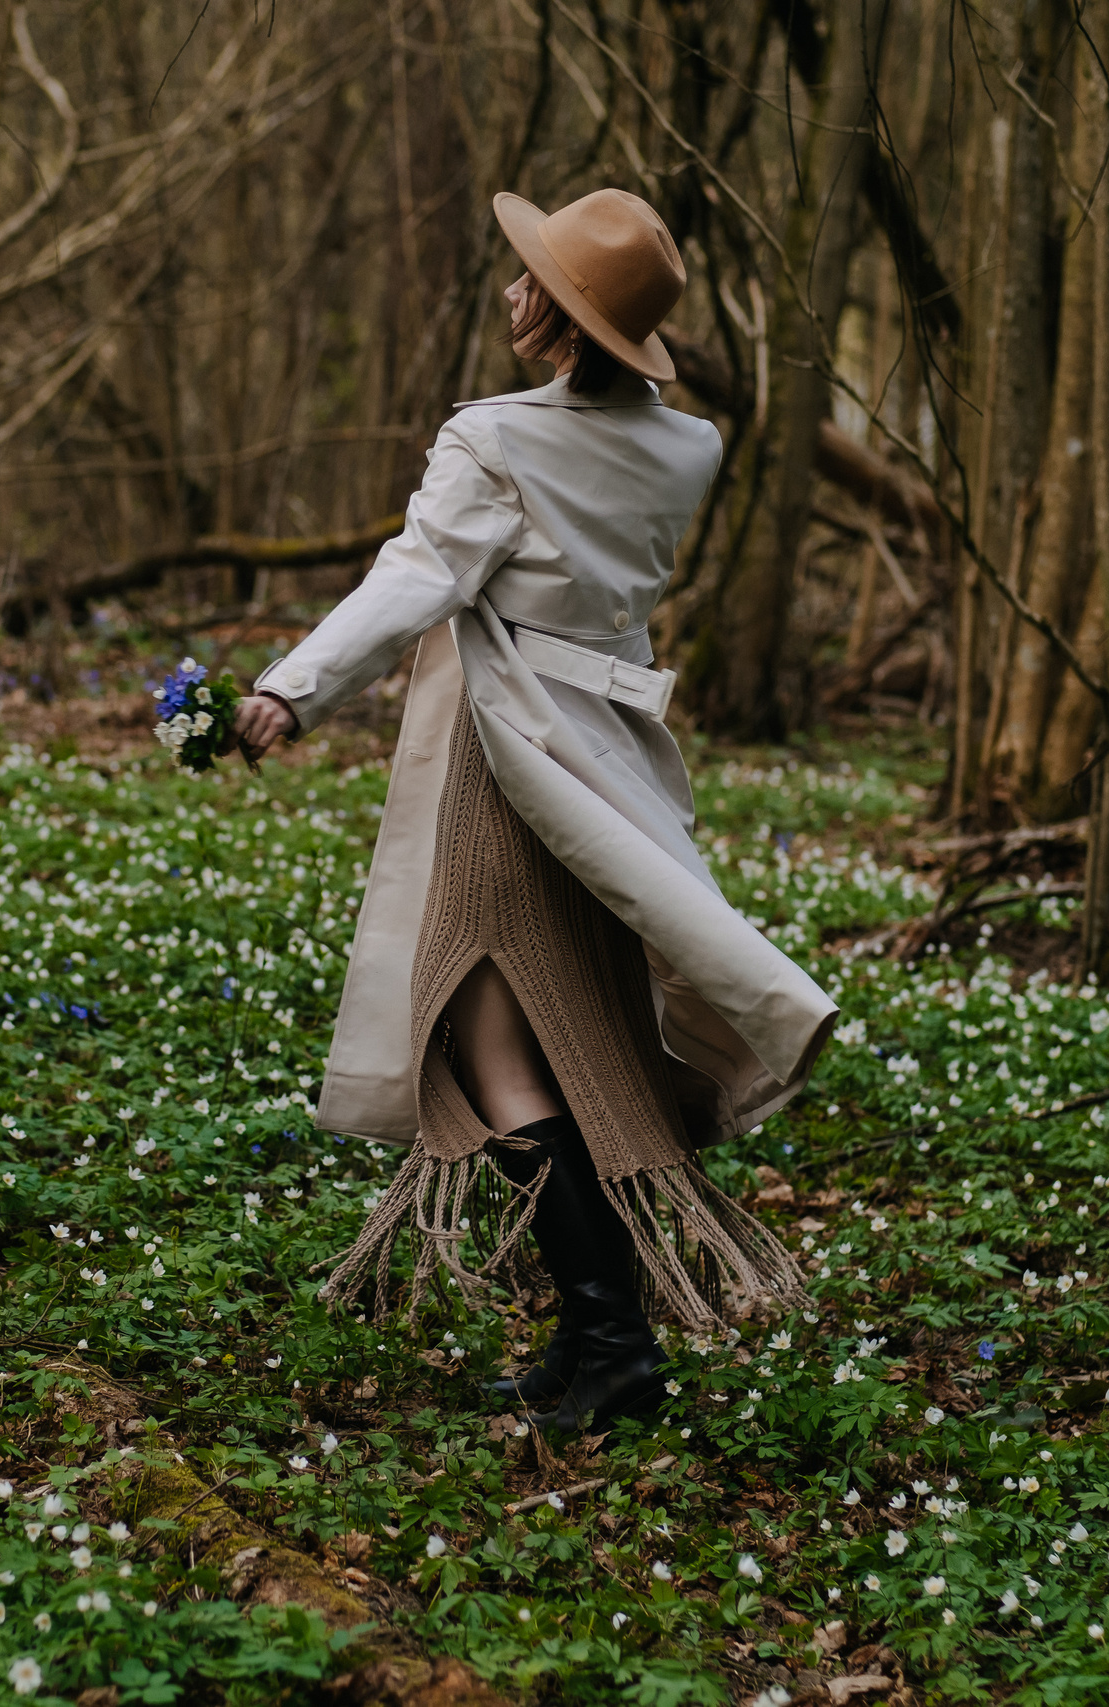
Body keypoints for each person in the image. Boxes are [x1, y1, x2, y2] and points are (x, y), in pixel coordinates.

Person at [232, 188, 838, 1434]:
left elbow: (417, 576)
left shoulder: (493, 441)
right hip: (610, 759)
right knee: (555, 1035)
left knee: (484, 1043)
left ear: (569, 324)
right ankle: (591, 1337)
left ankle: (613, 1340)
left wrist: (288, 690)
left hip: (503, 768)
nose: (510, 293)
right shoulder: (690, 445)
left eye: (534, 284)